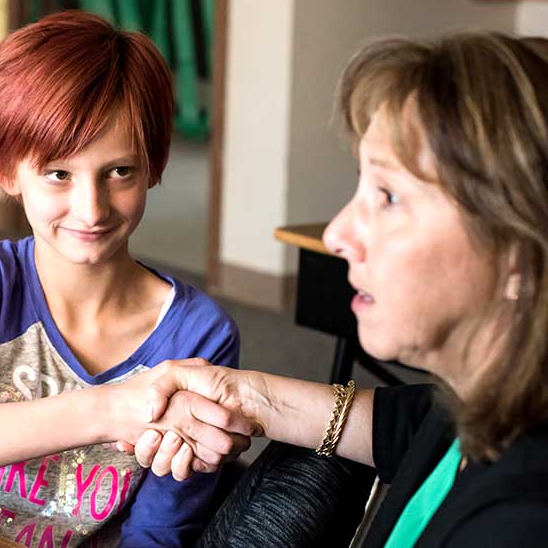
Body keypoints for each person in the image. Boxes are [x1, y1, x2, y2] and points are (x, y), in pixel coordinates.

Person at [127, 32, 548, 546]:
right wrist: (243, 397)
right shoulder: (479, 402)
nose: (336, 234)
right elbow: (406, 423)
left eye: (389, 196)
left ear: (520, 257)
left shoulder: (520, 520)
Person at [0, 11, 256, 548]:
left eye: (120, 172)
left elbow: (159, 533)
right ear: (4, 170)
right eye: (57, 173)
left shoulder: (199, 335)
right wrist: (108, 410)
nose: (90, 210)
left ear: (155, 166)